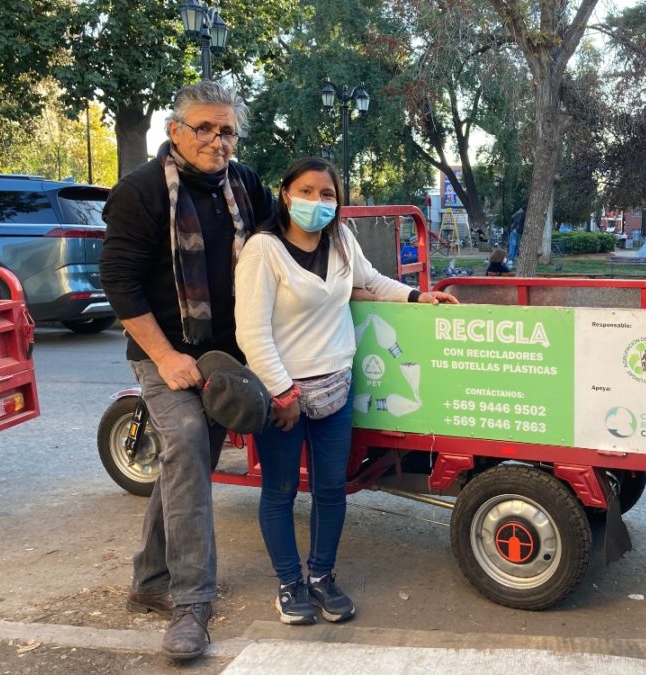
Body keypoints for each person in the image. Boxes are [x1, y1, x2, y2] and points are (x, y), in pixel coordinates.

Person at [233, 157, 458, 625]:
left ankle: (321, 576)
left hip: (336, 385)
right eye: (308, 191)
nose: (318, 202)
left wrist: (419, 296)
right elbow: (251, 333)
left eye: (328, 194)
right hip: (283, 395)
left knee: (331, 489)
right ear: (286, 194)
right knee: (279, 490)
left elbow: (370, 280)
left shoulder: (340, 240)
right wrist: (282, 392)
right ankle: (290, 584)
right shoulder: (263, 250)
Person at [99, 81, 275, 660]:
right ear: (175, 130)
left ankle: (150, 579)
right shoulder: (140, 193)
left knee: (187, 463)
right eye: (204, 127)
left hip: (226, 360)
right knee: (191, 445)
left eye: (227, 130)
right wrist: (166, 357)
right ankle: (190, 602)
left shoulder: (246, 185)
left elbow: (284, 250)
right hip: (163, 354)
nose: (217, 140)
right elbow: (120, 284)